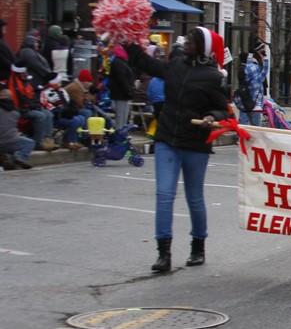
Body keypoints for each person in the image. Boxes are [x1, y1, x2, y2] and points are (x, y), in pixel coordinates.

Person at [126, 27, 232, 272]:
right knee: (164, 195)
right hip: (166, 140)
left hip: (195, 144)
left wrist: (210, 116)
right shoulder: (174, 66)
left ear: (202, 48)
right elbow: (147, 63)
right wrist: (129, 42)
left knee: (194, 198)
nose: (186, 42)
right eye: (187, 38)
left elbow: (222, 110)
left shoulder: (212, 77)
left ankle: (198, 246)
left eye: (192, 40)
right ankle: (164, 254)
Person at [7, 61, 56, 151]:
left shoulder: (25, 82)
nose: (25, 74)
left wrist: (36, 105)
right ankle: (38, 142)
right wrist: (32, 106)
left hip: (30, 107)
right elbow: (20, 99)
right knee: (40, 116)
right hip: (20, 110)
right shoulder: (14, 84)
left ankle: (48, 139)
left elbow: (31, 96)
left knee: (49, 114)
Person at [40, 73, 85, 150]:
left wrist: (72, 109)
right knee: (75, 121)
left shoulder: (62, 91)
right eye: (58, 82)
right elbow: (47, 106)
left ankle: (74, 140)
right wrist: (62, 112)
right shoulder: (45, 92)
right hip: (57, 117)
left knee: (81, 118)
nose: (60, 83)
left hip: (66, 114)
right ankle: (68, 141)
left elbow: (69, 102)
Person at [0, 88, 34, 169]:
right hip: (12, 141)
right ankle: (20, 157)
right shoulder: (15, 113)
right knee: (30, 142)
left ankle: (8, 158)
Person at [108, 45, 135, 129]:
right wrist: (129, 90)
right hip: (121, 94)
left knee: (122, 116)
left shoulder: (119, 62)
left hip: (121, 94)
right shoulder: (119, 63)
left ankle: (121, 133)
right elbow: (122, 78)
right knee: (121, 116)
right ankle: (119, 134)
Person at [235, 50, 264, 126]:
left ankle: (241, 135)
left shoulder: (242, 69)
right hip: (252, 100)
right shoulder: (251, 71)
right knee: (255, 126)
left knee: (243, 121)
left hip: (244, 98)